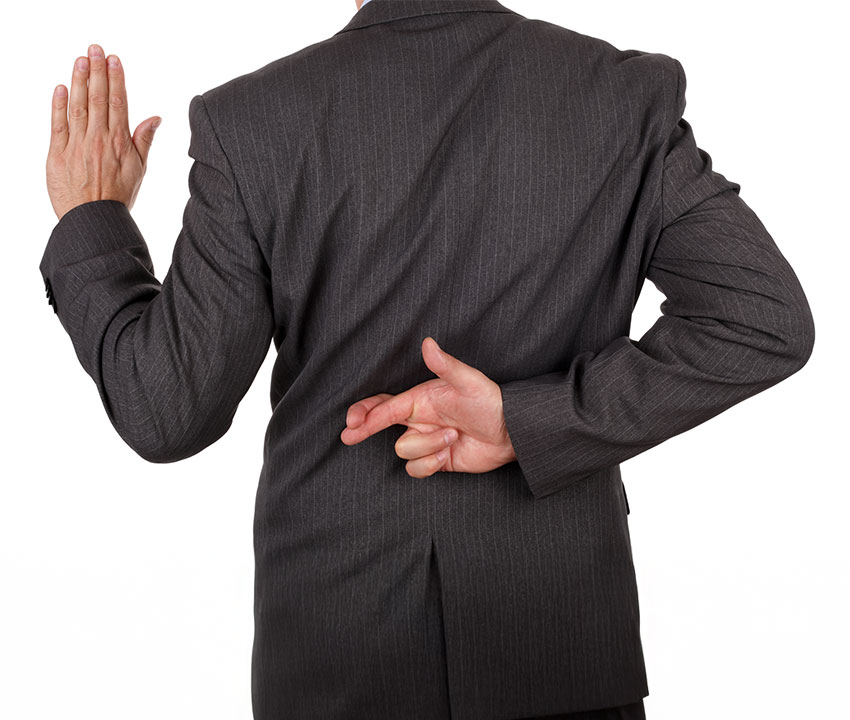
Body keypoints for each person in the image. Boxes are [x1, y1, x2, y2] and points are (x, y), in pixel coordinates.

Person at [39, 1, 815, 718]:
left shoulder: (253, 122)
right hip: (564, 650)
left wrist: (92, 223)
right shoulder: (620, 96)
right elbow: (759, 319)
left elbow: (166, 409)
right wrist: (525, 421)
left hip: (340, 657)